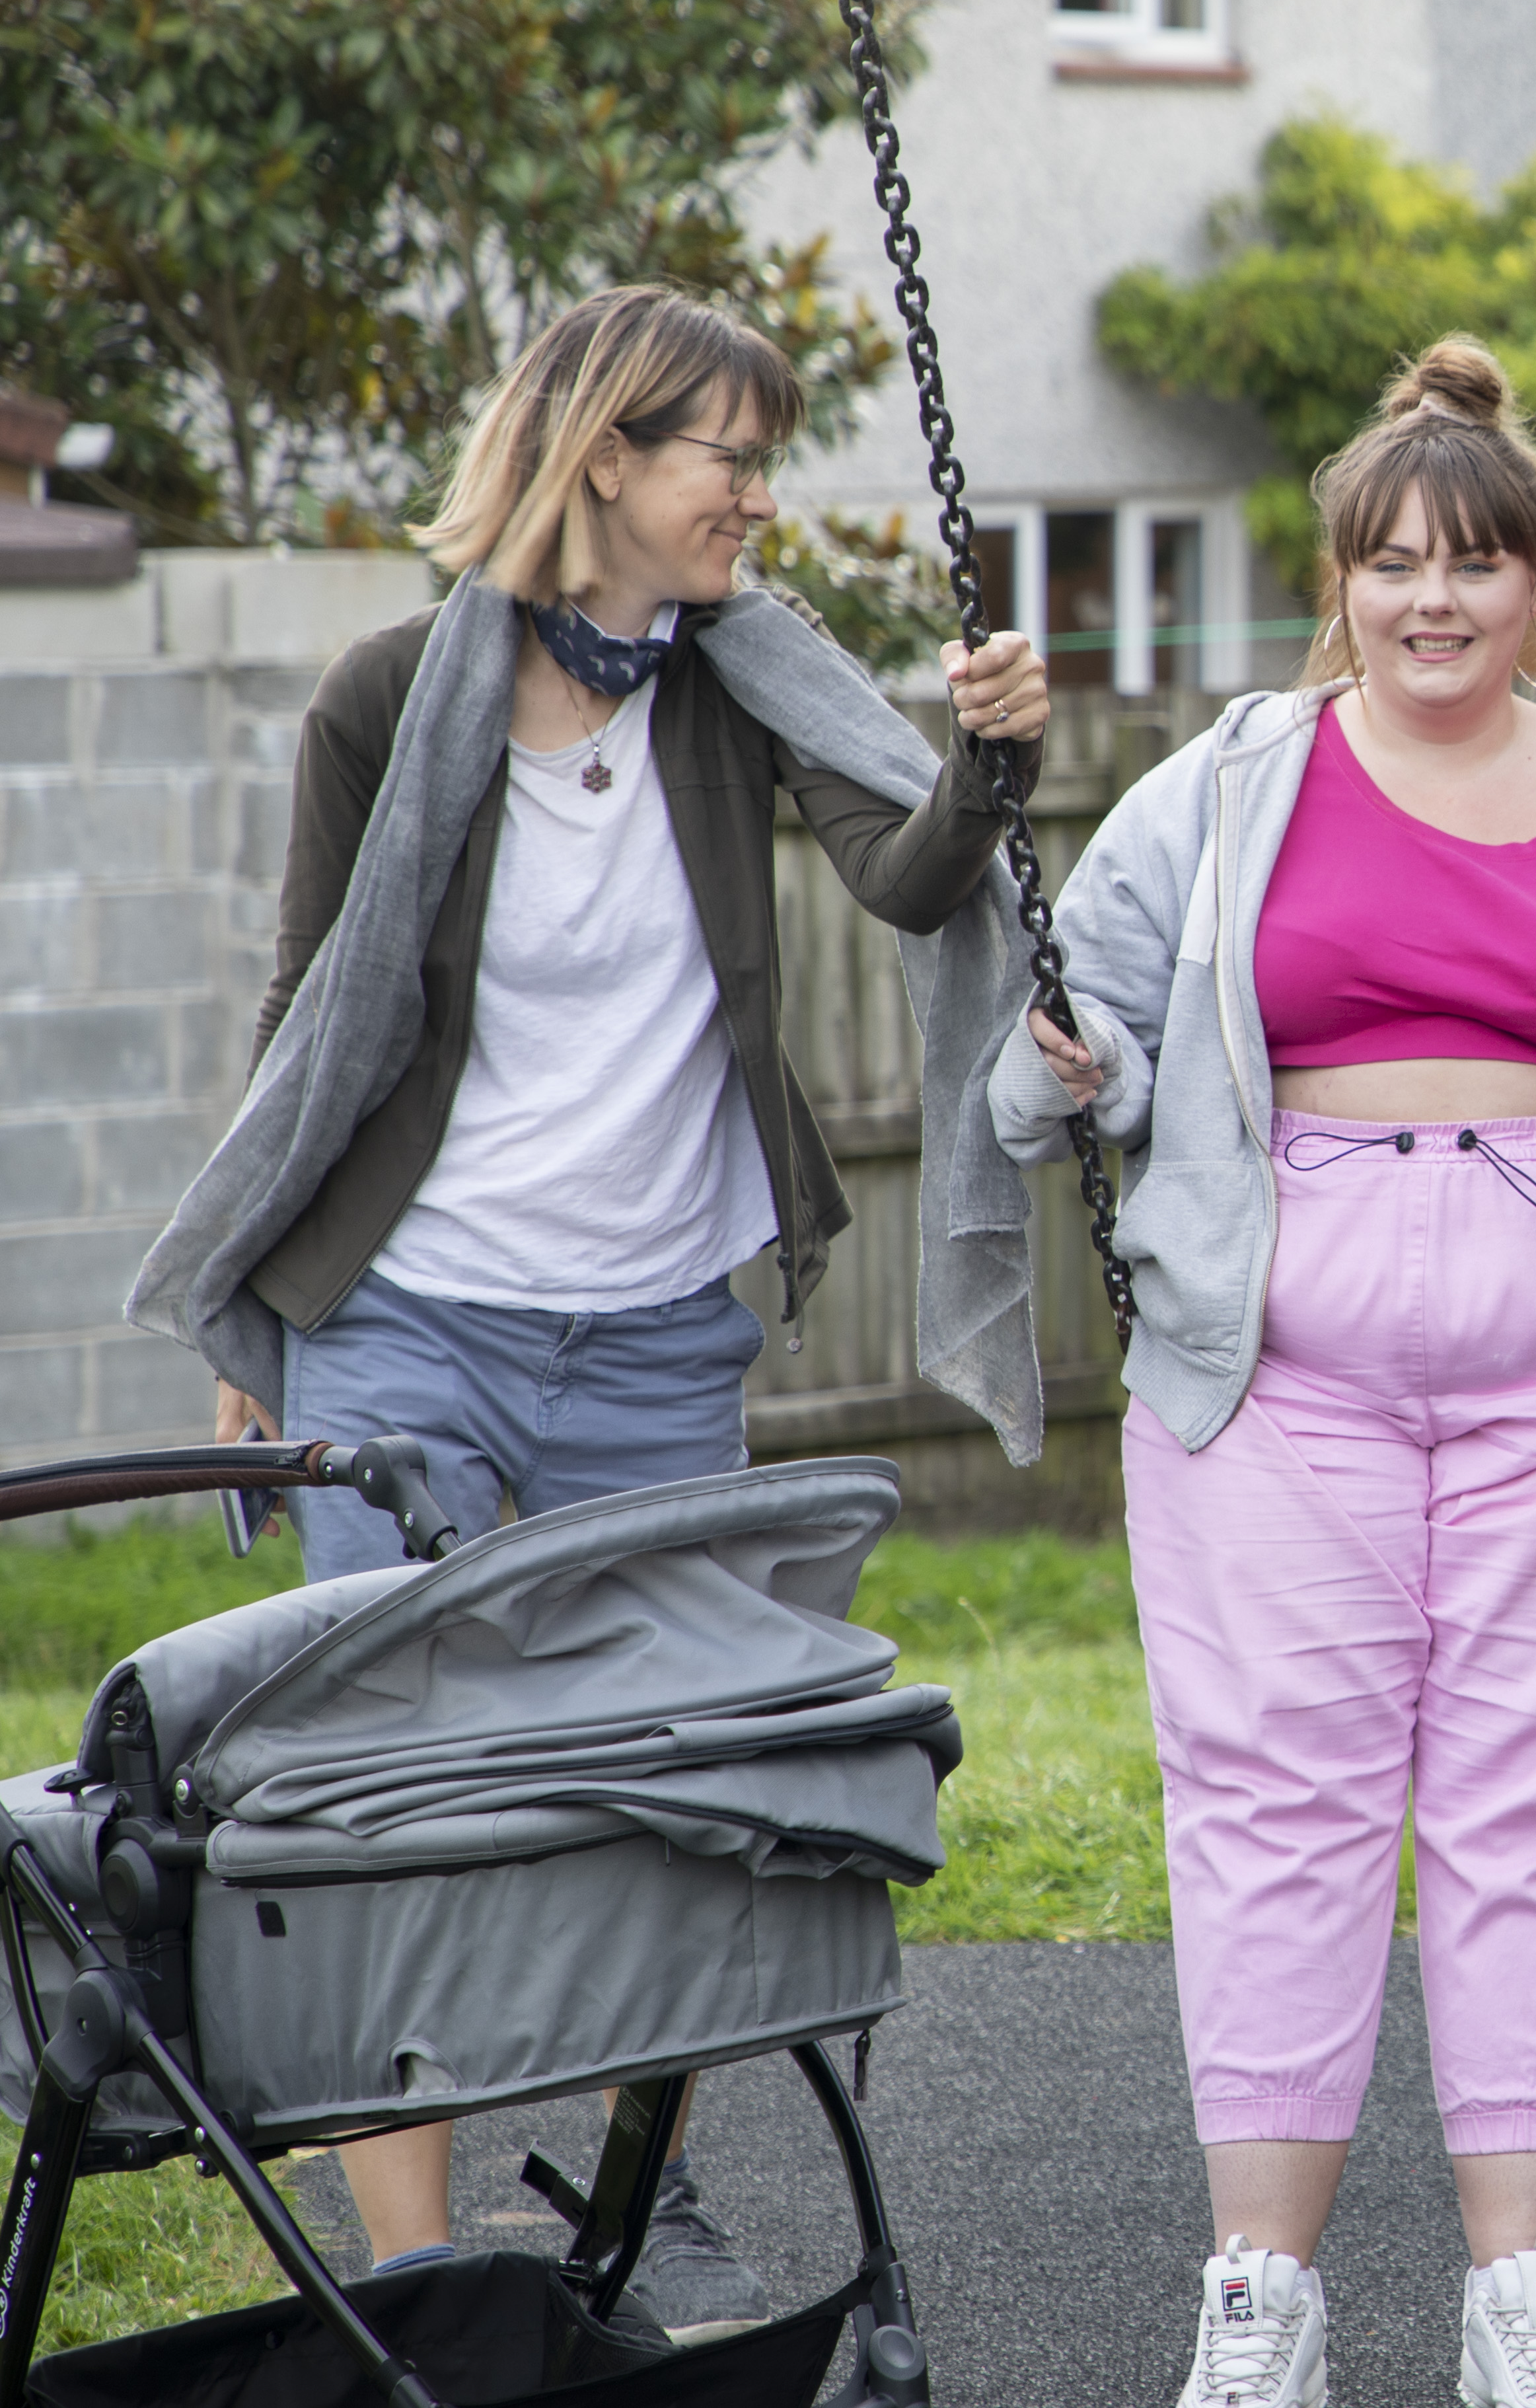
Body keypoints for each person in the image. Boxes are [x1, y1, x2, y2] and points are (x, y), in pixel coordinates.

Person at [128, 282, 1053, 2344]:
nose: (758, 495)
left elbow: (908, 880)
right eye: (731, 454)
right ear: (606, 457)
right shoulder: (389, 696)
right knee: (392, 1795)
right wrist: (251, 1308)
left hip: (654, 1338)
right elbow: (312, 1005)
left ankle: (651, 2195)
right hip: (407, 1323)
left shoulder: (740, 683)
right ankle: (417, 2272)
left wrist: (991, 765)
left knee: (667, 1786)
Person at [988, 336, 1536, 2408]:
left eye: (1472, 562)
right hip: (1278, 1349)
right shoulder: (1221, 789)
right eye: (1391, 563)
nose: (1430, 600)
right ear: (1342, 583)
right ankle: (1259, 2297)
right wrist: (1066, 1063)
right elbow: (1055, 1058)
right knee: (1269, 1793)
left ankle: (1523, 2292)